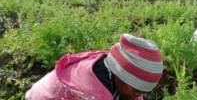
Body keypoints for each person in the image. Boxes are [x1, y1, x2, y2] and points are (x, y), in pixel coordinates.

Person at [25, 34, 163, 100]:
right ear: (120, 72)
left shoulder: (115, 71)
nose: (138, 94)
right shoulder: (94, 88)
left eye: (142, 91)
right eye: (135, 89)